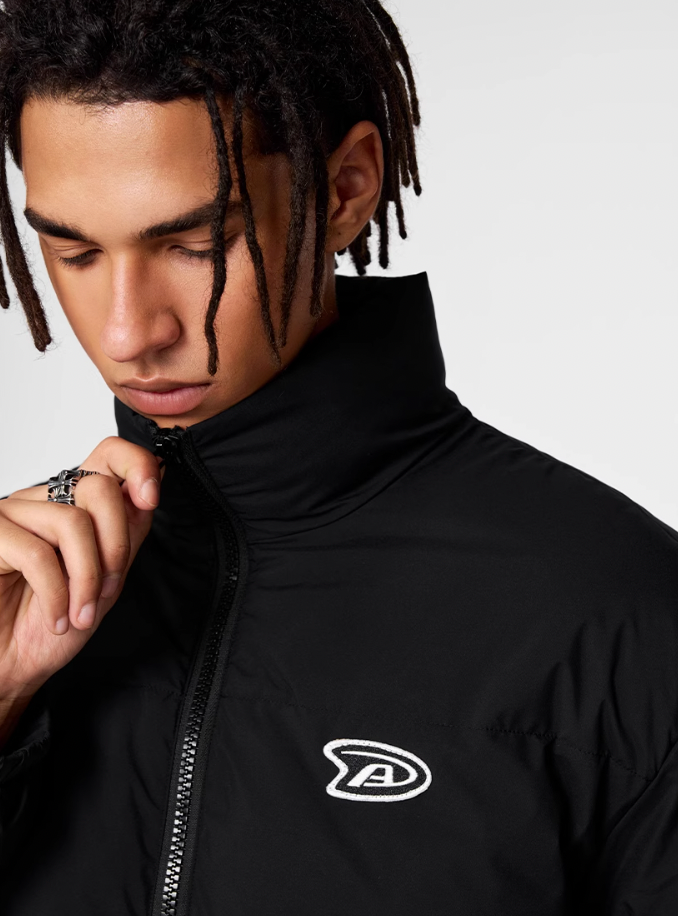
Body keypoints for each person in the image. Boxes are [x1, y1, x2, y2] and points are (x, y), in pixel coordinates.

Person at [0, 1, 677, 913]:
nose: (128, 333)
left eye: (195, 245)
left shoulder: (617, 616)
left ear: (348, 189)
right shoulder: (26, 597)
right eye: (75, 252)